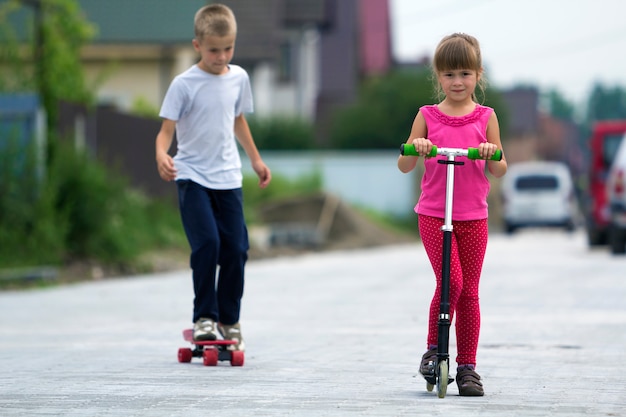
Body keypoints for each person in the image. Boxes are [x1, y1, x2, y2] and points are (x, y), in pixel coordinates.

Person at [155, 4, 271, 351]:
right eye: (213, 50)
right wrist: (161, 153)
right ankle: (204, 316)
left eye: (228, 49)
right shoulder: (183, 84)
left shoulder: (239, 78)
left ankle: (229, 319)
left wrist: (255, 159)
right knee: (208, 244)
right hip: (191, 174)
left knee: (236, 248)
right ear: (197, 46)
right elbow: (165, 132)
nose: (221, 57)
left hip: (228, 177)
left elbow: (237, 119)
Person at [397, 33, 507, 396]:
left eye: (464, 73)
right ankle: (433, 351)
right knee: (450, 283)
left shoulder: (485, 117)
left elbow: (500, 168)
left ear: (478, 74)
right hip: (433, 213)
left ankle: (467, 367)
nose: (457, 82)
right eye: (448, 75)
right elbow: (405, 163)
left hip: (473, 215)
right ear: (438, 77)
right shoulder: (426, 115)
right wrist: (419, 145)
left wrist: (490, 152)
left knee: (469, 292)